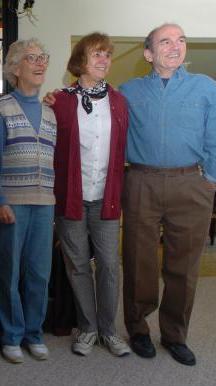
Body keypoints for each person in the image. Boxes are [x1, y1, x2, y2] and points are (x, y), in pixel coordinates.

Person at [119, 23, 216, 366]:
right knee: (138, 261)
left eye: (181, 40)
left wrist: (211, 181)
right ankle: (138, 329)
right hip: (141, 181)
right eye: (166, 41)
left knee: (184, 266)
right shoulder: (128, 91)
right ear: (148, 53)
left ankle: (175, 335)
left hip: (191, 184)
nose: (176, 46)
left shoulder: (206, 87)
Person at [50, 32, 131, 358]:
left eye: (107, 55)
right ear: (80, 61)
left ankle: (109, 330)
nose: (103, 60)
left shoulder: (118, 101)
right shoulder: (60, 101)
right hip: (71, 198)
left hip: (106, 198)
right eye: (96, 54)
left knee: (109, 265)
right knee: (78, 266)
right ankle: (88, 328)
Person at [0, 38, 57, 364]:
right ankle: (11, 335)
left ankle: (34, 334)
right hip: (11, 204)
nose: (40, 63)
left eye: (43, 58)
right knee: (10, 273)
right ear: (15, 68)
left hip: (44, 203)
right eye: (32, 58)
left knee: (40, 274)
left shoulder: (51, 113)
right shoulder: (2, 109)